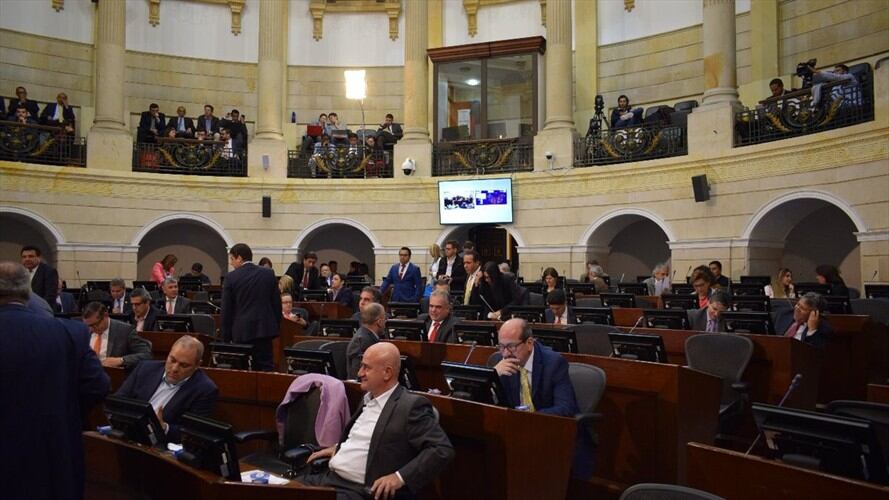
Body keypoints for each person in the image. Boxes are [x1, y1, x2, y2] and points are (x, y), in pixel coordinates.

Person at [0, 261, 110, 500]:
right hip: (54, 456)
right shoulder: (70, 333)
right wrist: (64, 413)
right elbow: (98, 386)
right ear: (28, 290)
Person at [302, 343, 455, 499]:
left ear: (387, 373)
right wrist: (340, 447)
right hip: (328, 478)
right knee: (281, 489)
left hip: (359, 491)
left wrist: (399, 477)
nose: (359, 373)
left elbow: (441, 449)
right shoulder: (367, 398)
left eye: (366, 368)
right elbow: (367, 438)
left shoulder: (410, 406)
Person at [114, 335, 218, 443]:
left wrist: (164, 427)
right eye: (172, 360)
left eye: (184, 365)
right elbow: (117, 401)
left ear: (197, 365)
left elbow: (193, 434)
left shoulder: (204, 390)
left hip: (160, 445)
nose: (174, 368)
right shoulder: (145, 368)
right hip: (127, 433)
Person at [491, 318, 579, 416]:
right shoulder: (500, 363)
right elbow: (490, 405)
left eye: (511, 346)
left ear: (529, 343)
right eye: (501, 347)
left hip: (546, 426)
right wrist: (494, 376)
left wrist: (530, 418)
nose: (505, 354)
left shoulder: (554, 363)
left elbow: (566, 408)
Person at [222, 243, 281, 371]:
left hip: (241, 331)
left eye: (232, 259)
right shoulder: (268, 274)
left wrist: (226, 339)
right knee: (265, 368)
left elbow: (226, 310)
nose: (231, 263)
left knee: (242, 369)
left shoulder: (231, 277)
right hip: (264, 330)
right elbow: (276, 304)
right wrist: (275, 326)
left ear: (239, 258)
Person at [81, 301, 152, 368]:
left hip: (113, 376)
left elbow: (146, 354)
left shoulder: (125, 331)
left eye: (95, 325)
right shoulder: (84, 331)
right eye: (88, 326)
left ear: (105, 316)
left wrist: (121, 360)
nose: (91, 329)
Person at [346, 302, 386, 379]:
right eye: (384, 319)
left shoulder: (364, 335)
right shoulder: (363, 341)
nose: (385, 322)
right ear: (379, 322)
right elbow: (357, 375)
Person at [21, 244, 59, 309]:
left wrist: (36, 308)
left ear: (39, 258)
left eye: (31, 256)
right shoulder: (19, 272)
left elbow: (50, 296)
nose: (27, 259)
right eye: (24, 257)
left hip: (42, 310)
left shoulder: (49, 272)